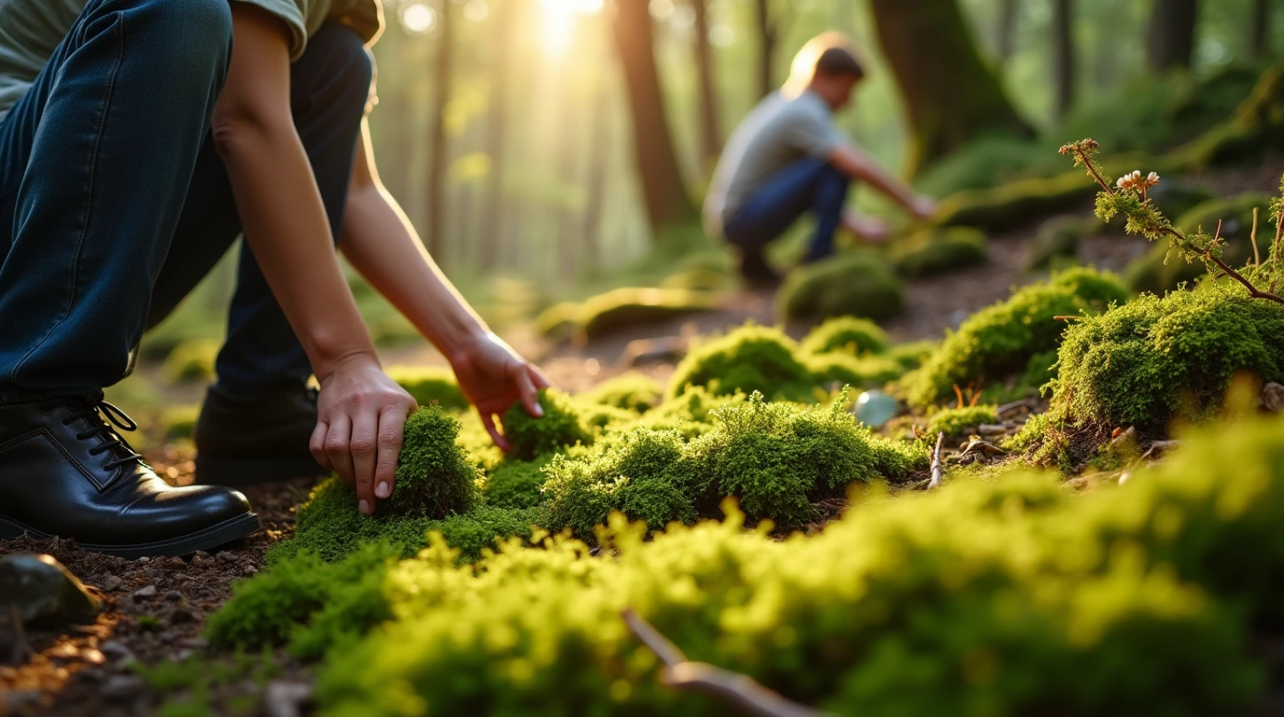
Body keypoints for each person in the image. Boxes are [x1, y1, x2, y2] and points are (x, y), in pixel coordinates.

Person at [0, 0, 547, 558]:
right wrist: (345, 361)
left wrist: (467, 340)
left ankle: (259, 402)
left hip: (69, 229)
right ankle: (25, 412)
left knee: (333, 64)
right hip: (18, 231)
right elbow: (247, 119)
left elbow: (353, 190)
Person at [703, 33, 937, 287]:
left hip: (731, 220)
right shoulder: (805, 110)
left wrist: (858, 226)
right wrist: (913, 203)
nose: (848, 102)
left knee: (825, 168)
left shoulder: (788, 103)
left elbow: (809, 189)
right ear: (822, 77)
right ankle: (821, 257)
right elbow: (852, 165)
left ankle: (753, 265)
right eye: (846, 90)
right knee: (833, 166)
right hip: (741, 221)